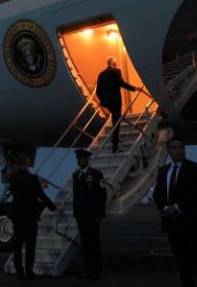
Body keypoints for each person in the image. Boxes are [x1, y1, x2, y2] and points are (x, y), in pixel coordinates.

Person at [153, 136, 197, 287]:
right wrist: (164, 209)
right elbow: (157, 194)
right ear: (168, 151)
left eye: (181, 147)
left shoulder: (196, 168)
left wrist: (176, 208)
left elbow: (196, 193)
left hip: (192, 222)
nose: (178, 150)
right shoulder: (163, 171)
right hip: (172, 224)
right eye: (174, 147)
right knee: (182, 262)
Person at [9, 154, 57, 279]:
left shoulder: (12, 178)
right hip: (30, 216)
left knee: (17, 244)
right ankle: (29, 271)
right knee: (30, 245)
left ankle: (19, 271)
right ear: (26, 164)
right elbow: (41, 196)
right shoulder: (32, 179)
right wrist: (54, 208)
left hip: (17, 216)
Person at [70, 149, 106, 280]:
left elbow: (102, 195)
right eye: (78, 159)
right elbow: (76, 195)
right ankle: (88, 271)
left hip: (92, 215)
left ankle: (98, 270)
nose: (79, 161)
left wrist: (100, 213)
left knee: (94, 244)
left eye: (81, 159)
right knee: (85, 244)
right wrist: (75, 212)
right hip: (81, 215)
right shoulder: (76, 175)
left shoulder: (96, 174)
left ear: (87, 159)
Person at [96, 57, 139, 153]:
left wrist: (103, 100)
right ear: (114, 63)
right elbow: (121, 83)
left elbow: (98, 91)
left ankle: (114, 139)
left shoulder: (101, 74)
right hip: (115, 101)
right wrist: (135, 88)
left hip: (107, 103)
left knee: (115, 119)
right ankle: (115, 146)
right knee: (116, 122)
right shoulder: (116, 71)